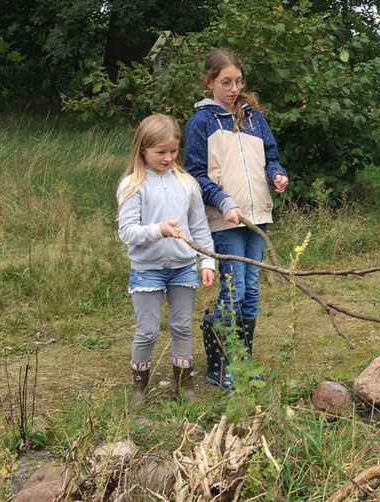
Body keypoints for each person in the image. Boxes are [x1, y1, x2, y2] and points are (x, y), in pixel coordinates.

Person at [184, 48, 289, 390]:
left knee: (252, 291)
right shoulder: (200, 123)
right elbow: (195, 174)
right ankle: (221, 366)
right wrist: (223, 200)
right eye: (225, 82)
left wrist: (277, 174)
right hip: (224, 219)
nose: (233, 88)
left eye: (238, 81)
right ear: (209, 82)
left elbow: (271, 157)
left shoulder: (254, 118)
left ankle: (242, 363)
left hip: (258, 216)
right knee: (234, 290)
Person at [117, 114, 216, 405]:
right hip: (147, 271)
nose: (168, 157)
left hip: (184, 268)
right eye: (160, 152)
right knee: (147, 331)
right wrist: (158, 230)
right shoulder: (132, 185)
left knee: (182, 327)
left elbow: (199, 228)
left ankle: (184, 386)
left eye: (173, 151)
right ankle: (139, 388)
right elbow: (127, 232)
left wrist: (207, 262)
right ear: (142, 150)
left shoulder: (187, 183)